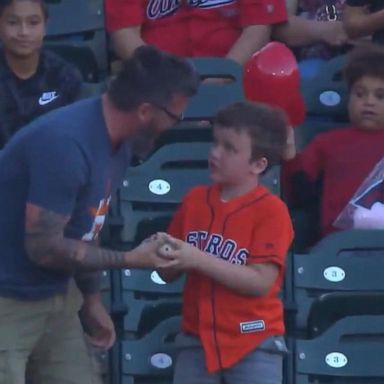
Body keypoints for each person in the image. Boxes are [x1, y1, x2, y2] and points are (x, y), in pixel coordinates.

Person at [0, 45, 199, 384]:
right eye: (175, 117)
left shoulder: (118, 142)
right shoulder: (67, 144)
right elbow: (43, 247)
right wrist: (130, 259)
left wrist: (91, 299)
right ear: (145, 110)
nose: (174, 126)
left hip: (55, 297)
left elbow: (85, 227)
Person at [157, 101, 294, 384]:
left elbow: (260, 282)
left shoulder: (272, 211)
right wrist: (161, 253)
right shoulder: (194, 200)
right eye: (215, 143)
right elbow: (165, 273)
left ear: (258, 164)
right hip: (196, 340)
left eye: (229, 148)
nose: (215, 154)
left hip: (254, 340)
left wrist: (197, 259)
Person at [283, 44, 384, 239]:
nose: (369, 102)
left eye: (380, 96)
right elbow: (299, 192)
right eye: (360, 94)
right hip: (337, 244)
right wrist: (290, 155)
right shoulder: (327, 143)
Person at [0, 0, 83, 148]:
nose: (23, 32)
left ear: (45, 25)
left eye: (33, 23)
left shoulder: (65, 76)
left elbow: (77, 138)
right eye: (13, 23)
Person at [105, 0, 288, 66]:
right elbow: (124, 34)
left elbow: (258, 29)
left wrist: (222, 77)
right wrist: (163, 78)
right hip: (157, 83)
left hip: (235, 77)